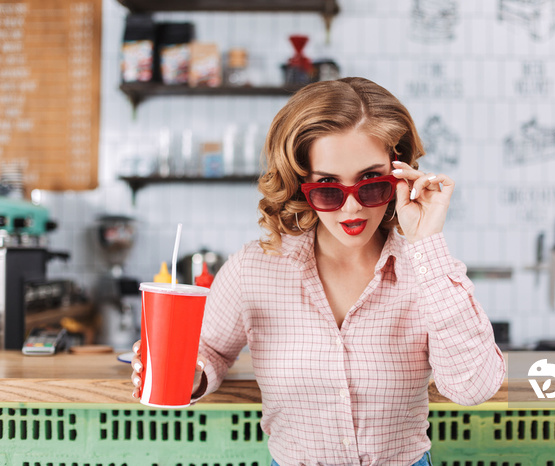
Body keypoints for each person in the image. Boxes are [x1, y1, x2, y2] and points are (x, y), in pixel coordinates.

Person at [131, 77, 505, 466]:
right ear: (300, 185)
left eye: (371, 183)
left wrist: (427, 241)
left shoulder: (424, 270)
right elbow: (209, 350)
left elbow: (472, 387)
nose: (351, 209)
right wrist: (192, 375)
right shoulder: (253, 269)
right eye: (327, 187)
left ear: (399, 175)